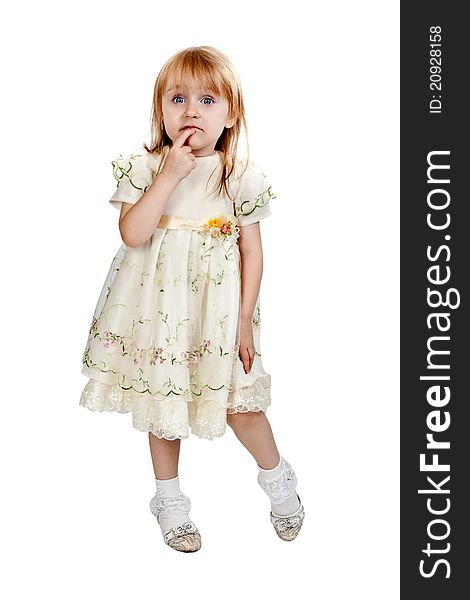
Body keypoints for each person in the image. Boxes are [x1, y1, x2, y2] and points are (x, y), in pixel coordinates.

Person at [79, 45, 305, 553]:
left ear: (231, 113)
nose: (191, 112)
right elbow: (133, 234)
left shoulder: (239, 174)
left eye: (206, 99)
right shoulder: (146, 165)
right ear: (160, 108)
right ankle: (169, 500)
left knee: (241, 406)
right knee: (165, 402)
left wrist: (245, 321)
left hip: (219, 310)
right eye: (177, 98)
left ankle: (278, 480)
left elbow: (253, 250)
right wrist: (169, 176)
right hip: (158, 312)